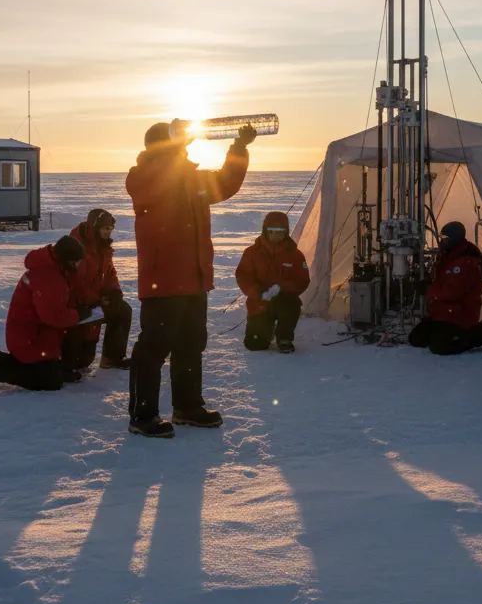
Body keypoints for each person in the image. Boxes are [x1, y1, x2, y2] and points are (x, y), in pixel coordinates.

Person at [125, 120, 255, 438]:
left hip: (195, 279)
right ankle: (142, 415)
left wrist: (238, 149)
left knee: (190, 345)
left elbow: (224, 184)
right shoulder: (143, 176)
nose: (184, 148)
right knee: (153, 349)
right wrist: (171, 147)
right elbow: (152, 183)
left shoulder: (192, 180)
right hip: (163, 281)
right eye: (178, 145)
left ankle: (187, 407)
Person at [0, 236, 98, 392]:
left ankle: (56, 370)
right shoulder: (48, 277)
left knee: (55, 368)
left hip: (38, 333)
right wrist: (78, 315)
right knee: (50, 381)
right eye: (75, 262)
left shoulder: (54, 268)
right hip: (30, 338)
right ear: (65, 259)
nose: (78, 265)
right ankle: (1, 366)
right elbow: (53, 316)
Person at [407, 221, 482, 355]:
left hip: (460, 313)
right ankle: (442, 331)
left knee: (440, 347)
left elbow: (451, 293)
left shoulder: (465, 263)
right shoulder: (448, 256)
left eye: (445, 239)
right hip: (443, 311)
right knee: (416, 339)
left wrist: (428, 289)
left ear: (454, 240)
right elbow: (440, 280)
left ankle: (479, 333)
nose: (441, 242)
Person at [66, 209, 132, 370]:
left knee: (122, 310)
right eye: (105, 228)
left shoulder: (103, 247)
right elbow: (75, 282)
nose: (109, 232)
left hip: (94, 300)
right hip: (77, 306)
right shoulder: (76, 245)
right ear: (95, 227)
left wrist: (114, 292)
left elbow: (109, 272)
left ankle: (112, 358)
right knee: (81, 362)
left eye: (111, 229)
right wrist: (95, 299)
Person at [236, 211, 311, 353]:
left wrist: (282, 287)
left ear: (286, 232)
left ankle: (284, 337)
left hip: (283, 299)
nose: (276, 235)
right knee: (255, 345)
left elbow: (302, 280)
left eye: (280, 232)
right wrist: (257, 292)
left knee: (292, 304)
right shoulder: (252, 253)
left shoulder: (294, 254)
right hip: (259, 301)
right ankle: (266, 329)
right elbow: (243, 276)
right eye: (272, 231)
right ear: (265, 231)